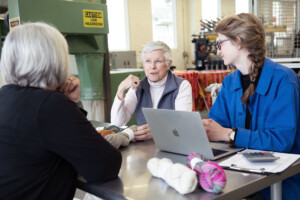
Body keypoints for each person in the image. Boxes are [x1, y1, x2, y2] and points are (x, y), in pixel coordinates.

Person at [0, 22, 122, 200]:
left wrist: (69, 102)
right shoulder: (49, 104)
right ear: (55, 59)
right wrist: (66, 102)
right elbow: (106, 166)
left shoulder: (5, 96)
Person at [202, 13, 300, 200]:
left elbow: (280, 141)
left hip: (279, 182)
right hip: (241, 174)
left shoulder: (284, 81)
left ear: (238, 42)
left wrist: (229, 135)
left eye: (220, 43)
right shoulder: (230, 82)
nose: (218, 49)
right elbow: (216, 125)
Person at [111, 41, 192, 140]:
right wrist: (121, 89)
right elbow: (117, 123)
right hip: (145, 148)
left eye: (158, 61)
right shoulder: (138, 88)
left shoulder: (181, 86)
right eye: (148, 61)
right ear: (143, 64)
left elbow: (183, 126)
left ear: (168, 64)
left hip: (173, 146)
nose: (152, 66)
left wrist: (158, 131)